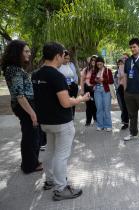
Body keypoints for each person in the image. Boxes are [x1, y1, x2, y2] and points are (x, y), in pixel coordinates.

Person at [32, 42, 90, 201]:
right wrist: (80, 99)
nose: (63, 58)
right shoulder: (57, 76)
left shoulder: (36, 74)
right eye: (63, 55)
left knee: (50, 151)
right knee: (61, 155)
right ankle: (60, 188)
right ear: (57, 55)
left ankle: (50, 180)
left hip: (46, 122)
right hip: (61, 122)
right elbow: (65, 102)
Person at [2, 40, 42, 174]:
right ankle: (29, 165)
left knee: (31, 134)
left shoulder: (15, 68)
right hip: (25, 105)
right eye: (26, 51)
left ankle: (31, 161)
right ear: (17, 52)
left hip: (26, 104)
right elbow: (19, 95)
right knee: (30, 135)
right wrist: (32, 113)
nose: (29, 54)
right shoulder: (13, 69)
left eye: (29, 51)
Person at [91, 57, 114, 132]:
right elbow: (91, 81)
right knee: (99, 108)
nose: (99, 65)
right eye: (98, 64)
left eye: (100, 64)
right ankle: (100, 125)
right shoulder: (94, 71)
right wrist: (95, 80)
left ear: (103, 63)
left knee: (106, 108)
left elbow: (111, 81)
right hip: (97, 90)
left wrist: (103, 80)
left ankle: (108, 125)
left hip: (106, 90)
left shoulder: (108, 70)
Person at [58, 50, 79, 117]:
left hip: (72, 85)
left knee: (73, 101)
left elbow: (75, 74)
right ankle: (66, 116)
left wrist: (76, 82)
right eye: (65, 58)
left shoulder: (71, 64)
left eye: (68, 58)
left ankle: (72, 115)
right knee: (65, 101)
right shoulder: (58, 66)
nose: (67, 60)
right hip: (63, 86)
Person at [80, 55, 97, 126]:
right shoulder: (86, 69)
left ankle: (96, 119)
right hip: (87, 88)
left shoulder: (98, 69)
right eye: (92, 60)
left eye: (94, 60)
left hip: (95, 89)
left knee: (95, 105)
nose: (93, 61)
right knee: (88, 105)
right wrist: (82, 90)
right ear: (90, 61)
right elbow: (82, 80)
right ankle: (88, 121)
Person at [115, 59, 129, 129]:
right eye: (119, 63)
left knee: (129, 106)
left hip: (129, 88)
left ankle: (129, 121)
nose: (121, 63)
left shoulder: (130, 66)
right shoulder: (120, 68)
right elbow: (118, 78)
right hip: (121, 87)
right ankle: (125, 122)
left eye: (125, 59)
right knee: (123, 106)